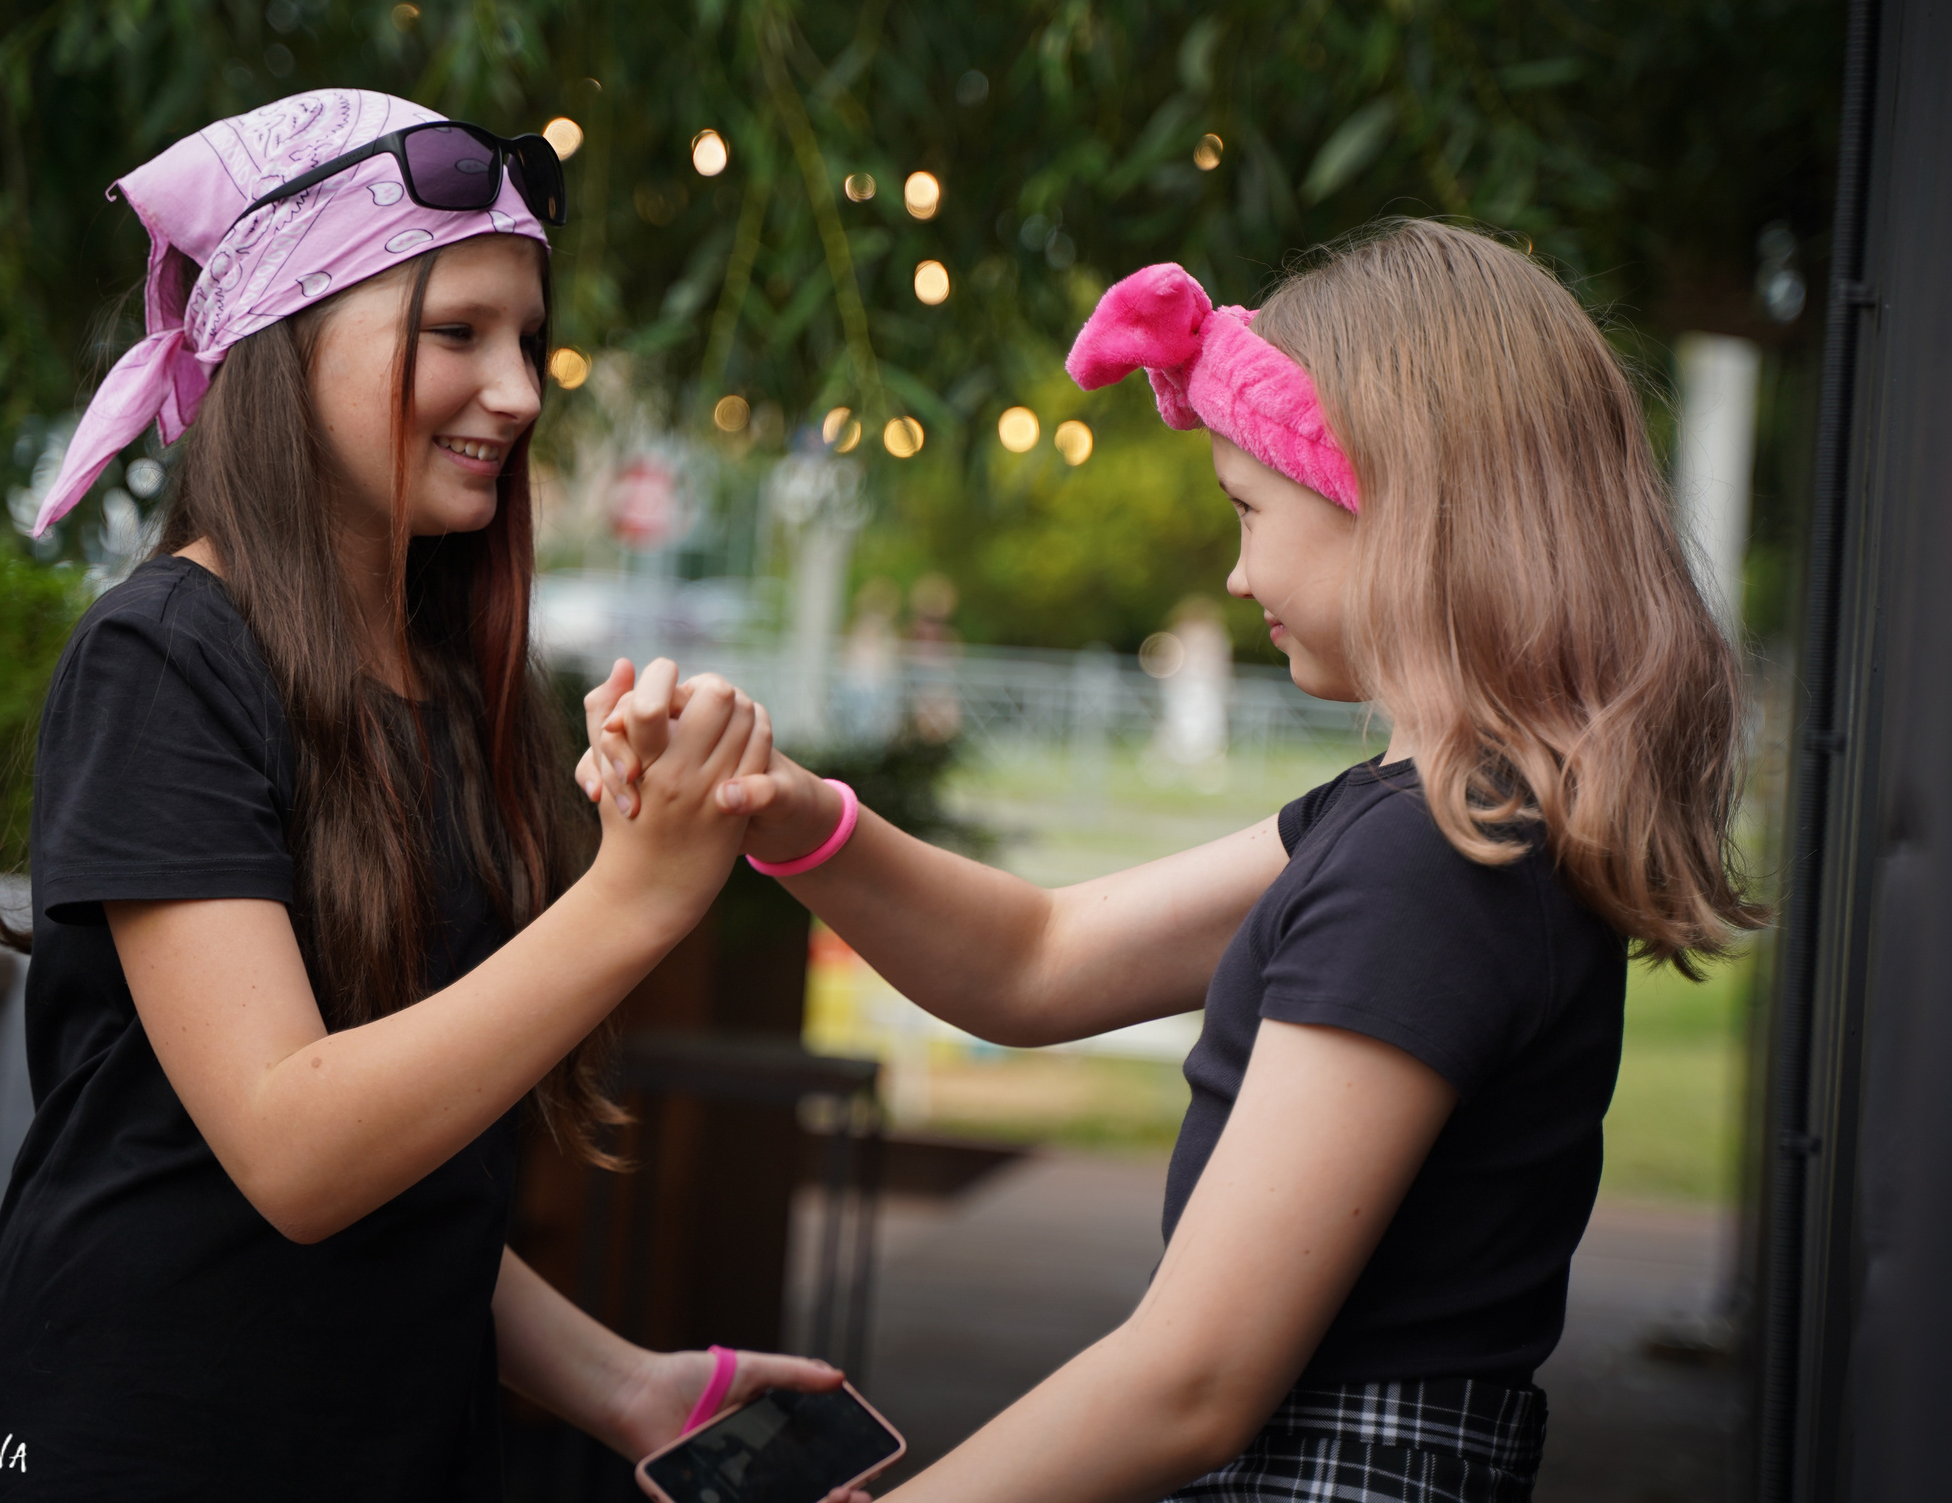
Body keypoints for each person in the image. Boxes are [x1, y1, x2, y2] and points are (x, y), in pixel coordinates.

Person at [589, 222, 1762, 1502]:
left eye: (1248, 509)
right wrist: (793, 814)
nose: (1236, 565)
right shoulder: (1437, 825)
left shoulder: (1436, 866)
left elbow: (1190, 1380)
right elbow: (1039, 961)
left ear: (1405, 503)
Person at [0, 90, 843, 1500]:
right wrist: (634, 890)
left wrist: (627, 1385)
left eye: (531, 340)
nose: (523, 392)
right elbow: (297, 1148)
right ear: (290, 342)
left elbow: (405, 1176)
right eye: (457, 332)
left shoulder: (442, 680)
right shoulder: (164, 656)